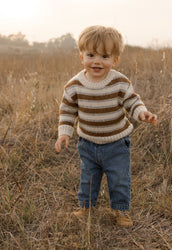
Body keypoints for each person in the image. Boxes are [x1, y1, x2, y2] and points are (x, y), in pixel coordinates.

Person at [55, 25, 157, 227]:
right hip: (87, 143)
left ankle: (121, 211)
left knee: (119, 178)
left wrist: (141, 112)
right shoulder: (74, 85)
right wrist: (64, 133)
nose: (97, 61)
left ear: (115, 60)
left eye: (104, 56)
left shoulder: (119, 82)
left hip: (116, 143)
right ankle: (86, 208)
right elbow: (67, 110)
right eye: (91, 54)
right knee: (88, 178)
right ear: (81, 56)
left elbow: (132, 101)